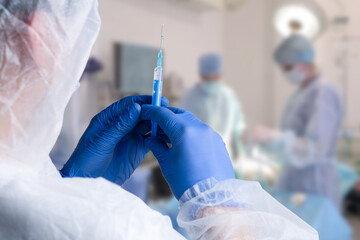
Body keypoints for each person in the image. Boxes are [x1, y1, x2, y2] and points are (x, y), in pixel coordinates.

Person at [0, 1, 318, 239]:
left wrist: (68, 186)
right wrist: (221, 211)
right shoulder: (118, 229)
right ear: (38, 34)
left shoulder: (22, 190)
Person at [243, 34, 343, 207]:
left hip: (315, 183)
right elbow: (292, 141)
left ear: (305, 63)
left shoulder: (323, 93)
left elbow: (317, 148)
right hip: (296, 180)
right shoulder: (300, 95)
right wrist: (265, 140)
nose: (284, 72)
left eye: (288, 67)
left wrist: (272, 136)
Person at [180, 53, 244, 161]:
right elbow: (182, 126)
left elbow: (238, 127)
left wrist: (240, 150)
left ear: (220, 75)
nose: (211, 82)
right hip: (197, 155)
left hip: (225, 155)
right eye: (207, 78)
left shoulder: (228, 96)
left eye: (214, 78)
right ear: (201, 75)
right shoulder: (190, 97)